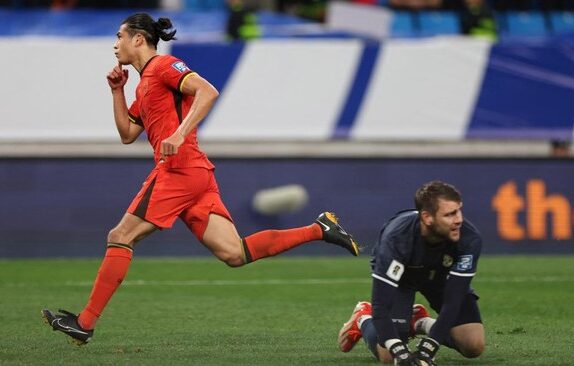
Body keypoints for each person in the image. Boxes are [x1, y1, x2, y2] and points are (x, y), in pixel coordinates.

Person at [41, 13, 359, 345]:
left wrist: (179, 134)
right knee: (234, 254)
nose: (115, 43)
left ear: (138, 39)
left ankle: (86, 322)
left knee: (120, 235)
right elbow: (127, 134)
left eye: (119, 36)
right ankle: (319, 228)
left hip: (178, 171)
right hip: (195, 175)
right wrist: (117, 91)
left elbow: (208, 91)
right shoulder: (143, 83)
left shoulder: (164, 67)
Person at [337, 180, 484, 365]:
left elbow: (452, 302)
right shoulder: (396, 239)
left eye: (459, 210)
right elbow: (381, 307)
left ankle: (418, 322)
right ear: (427, 217)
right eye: (450, 214)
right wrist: (399, 351)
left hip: (440, 277)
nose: (459, 219)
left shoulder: (468, 239)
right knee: (389, 357)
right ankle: (364, 318)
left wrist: (429, 347)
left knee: (473, 345)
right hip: (403, 279)